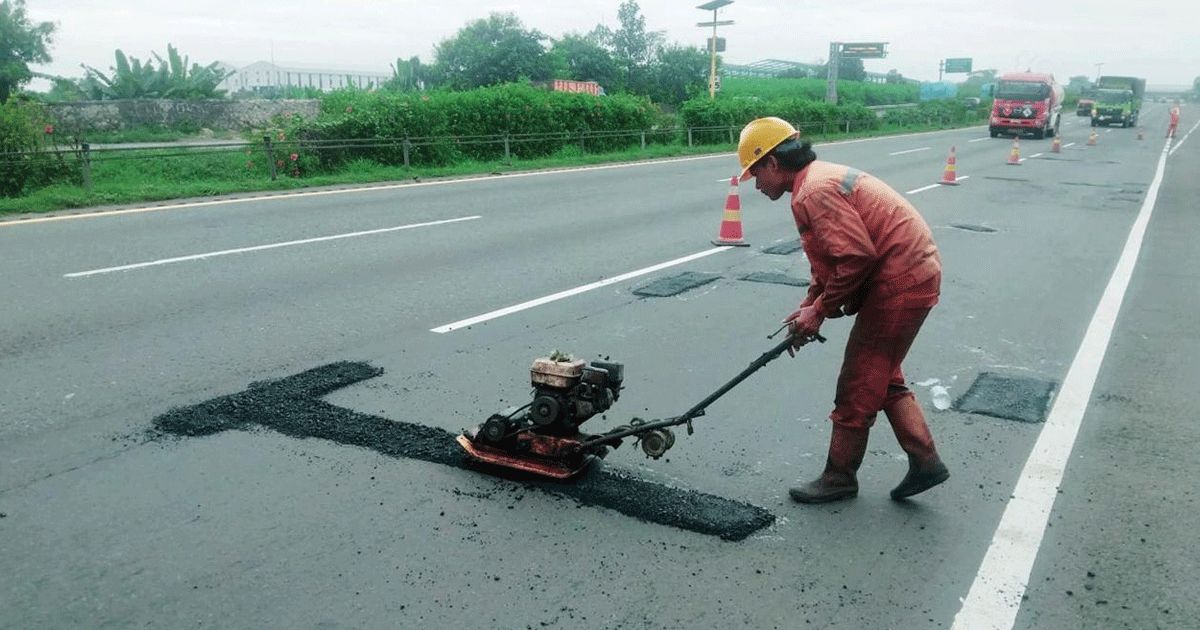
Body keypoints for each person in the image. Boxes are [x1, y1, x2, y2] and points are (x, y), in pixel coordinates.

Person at [736, 116, 949, 503]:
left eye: (756, 174)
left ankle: (839, 477)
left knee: (859, 380)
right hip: (910, 273)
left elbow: (855, 257)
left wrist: (819, 311)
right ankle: (925, 461)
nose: (757, 184)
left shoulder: (813, 191)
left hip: (901, 280)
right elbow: (831, 260)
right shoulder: (814, 181)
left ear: (772, 162)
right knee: (883, 375)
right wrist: (809, 306)